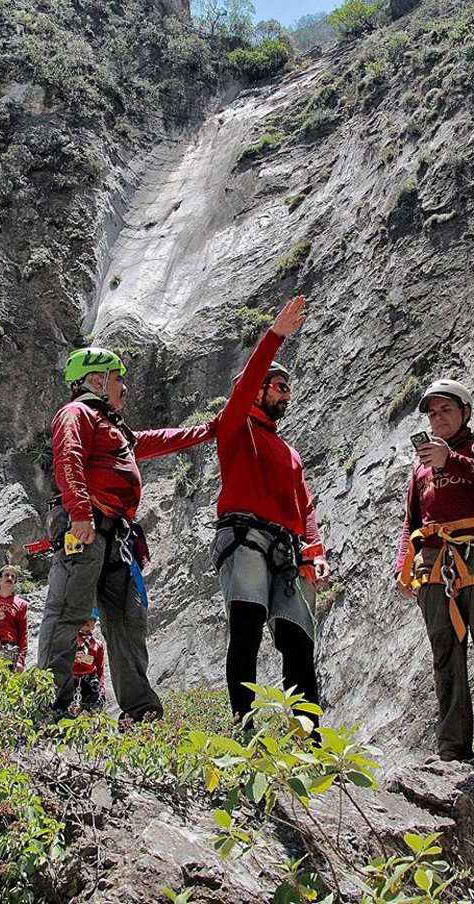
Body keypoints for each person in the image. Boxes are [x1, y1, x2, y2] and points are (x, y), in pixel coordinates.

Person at [38, 347, 215, 721]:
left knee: (127, 622)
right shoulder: (76, 414)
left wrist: (208, 430)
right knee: (68, 613)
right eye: (118, 378)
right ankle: (49, 710)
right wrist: (80, 513)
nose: (125, 387)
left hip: (116, 537)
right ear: (97, 379)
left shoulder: (116, 430)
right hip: (86, 527)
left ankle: (139, 713)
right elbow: (68, 457)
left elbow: (161, 438)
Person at [210, 296, 331, 732]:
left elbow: (305, 506)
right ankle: (244, 728)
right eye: (279, 386)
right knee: (247, 628)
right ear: (258, 390)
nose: (286, 394)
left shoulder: (290, 453)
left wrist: (315, 550)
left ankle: (309, 739)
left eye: (287, 389)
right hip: (244, 535)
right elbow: (245, 386)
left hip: (288, 546)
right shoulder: (235, 425)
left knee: (298, 641)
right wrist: (276, 335)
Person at [394, 378, 474, 766]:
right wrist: (403, 566)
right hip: (433, 558)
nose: (438, 418)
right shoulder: (420, 467)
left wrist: (451, 460)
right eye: (432, 413)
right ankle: (453, 748)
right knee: (444, 650)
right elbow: (411, 519)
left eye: (445, 409)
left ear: (464, 412)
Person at [71, 608, 106, 712]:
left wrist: (102, 688)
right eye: (86, 618)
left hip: (89, 680)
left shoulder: (97, 644)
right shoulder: (71, 640)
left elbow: (100, 669)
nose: (89, 622)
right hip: (71, 679)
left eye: (92, 619)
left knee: (93, 708)